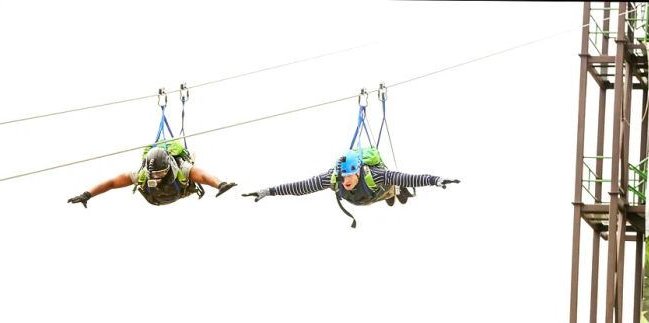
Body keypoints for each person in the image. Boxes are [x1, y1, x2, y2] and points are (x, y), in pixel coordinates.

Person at [242, 147, 459, 208]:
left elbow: (408, 177)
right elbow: (301, 187)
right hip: (357, 200)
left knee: (394, 183)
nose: (346, 179)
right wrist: (268, 191)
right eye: (344, 175)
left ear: (358, 171)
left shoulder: (374, 174)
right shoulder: (333, 178)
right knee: (346, 189)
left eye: (350, 176)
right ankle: (392, 195)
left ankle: (396, 193)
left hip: (378, 190)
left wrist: (435, 180)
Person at [67, 141, 236, 207]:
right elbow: (112, 183)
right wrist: (87, 194)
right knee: (140, 181)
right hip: (153, 198)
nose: (157, 176)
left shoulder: (182, 169)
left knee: (190, 174)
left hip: (179, 192)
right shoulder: (142, 175)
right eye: (154, 173)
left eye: (161, 172)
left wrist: (219, 184)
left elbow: (204, 176)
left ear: (168, 166)